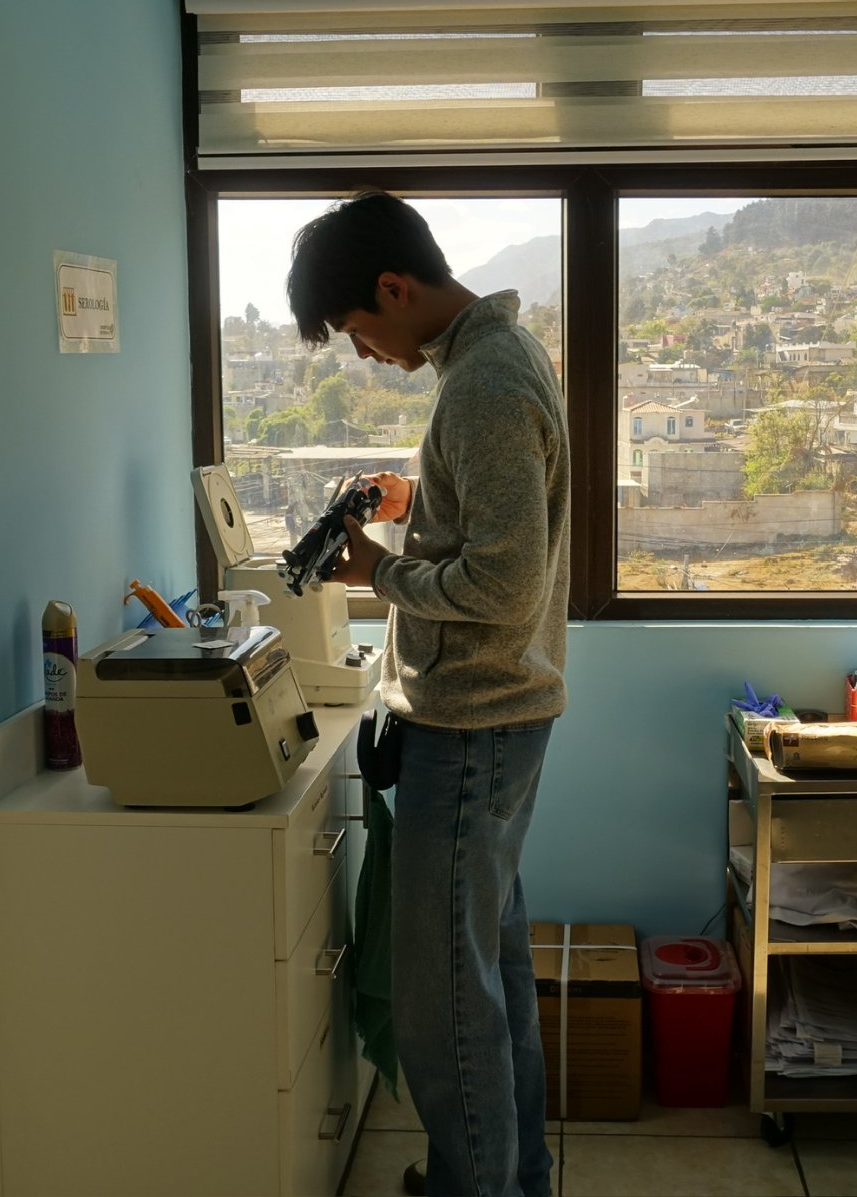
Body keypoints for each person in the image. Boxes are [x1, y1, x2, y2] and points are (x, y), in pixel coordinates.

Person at [286, 193, 570, 1197]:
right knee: (487, 988)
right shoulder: (495, 359)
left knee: (443, 1002)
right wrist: (421, 513)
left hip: (471, 723)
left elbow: (500, 586)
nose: (365, 354)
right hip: (500, 719)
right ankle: (510, 1178)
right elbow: (490, 539)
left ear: (394, 290)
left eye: (361, 331)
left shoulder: (482, 386)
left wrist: (376, 570)